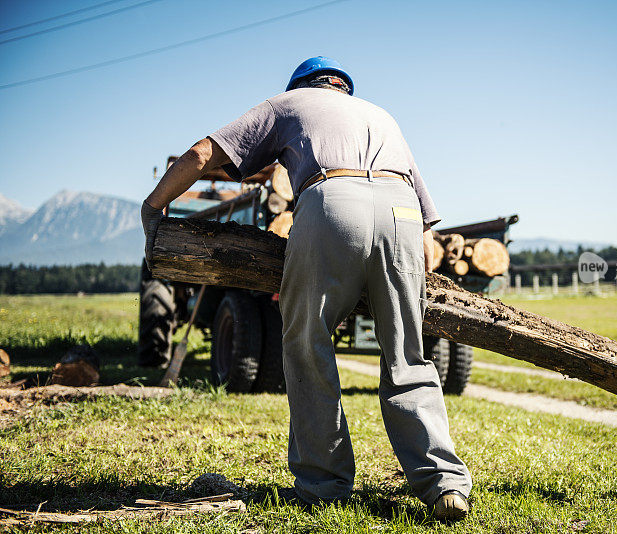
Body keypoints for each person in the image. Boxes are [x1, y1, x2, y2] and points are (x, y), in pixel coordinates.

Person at [141, 56, 472, 520]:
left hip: (332, 201)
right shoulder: (381, 115)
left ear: (302, 85)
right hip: (403, 214)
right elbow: (425, 216)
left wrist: (154, 206)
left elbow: (200, 154)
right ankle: (444, 484)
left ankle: (325, 483)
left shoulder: (288, 103)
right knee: (407, 352)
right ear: (343, 88)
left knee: (306, 344)